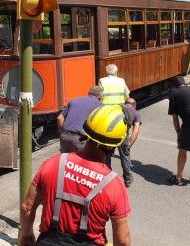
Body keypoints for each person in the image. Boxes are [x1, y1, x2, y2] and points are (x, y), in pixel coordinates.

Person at [19, 105, 132, 246]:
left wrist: (27, 235)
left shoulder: (53, 164)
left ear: (86, 131)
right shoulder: (114, 184)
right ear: (115, 144)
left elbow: (27, 207)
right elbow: (122, 239)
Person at [106, 98, 142, 188]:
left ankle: (106, 176)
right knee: (125, 157)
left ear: (125, 103)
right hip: (122, 136)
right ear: (135, 106)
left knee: (107, 155)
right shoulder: (135, 112)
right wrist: (129, 144)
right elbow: (136, 131)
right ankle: (127, 179)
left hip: (109, 134)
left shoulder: (117, 107)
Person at [57, 86, 103, 153]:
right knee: (81, 162)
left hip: (64, 137)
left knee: (66, 161)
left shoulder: (73, 101)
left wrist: (62, 131)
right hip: (80, 139)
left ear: (89, 93)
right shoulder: (100, 105)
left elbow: (59, 118)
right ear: (100, 97)